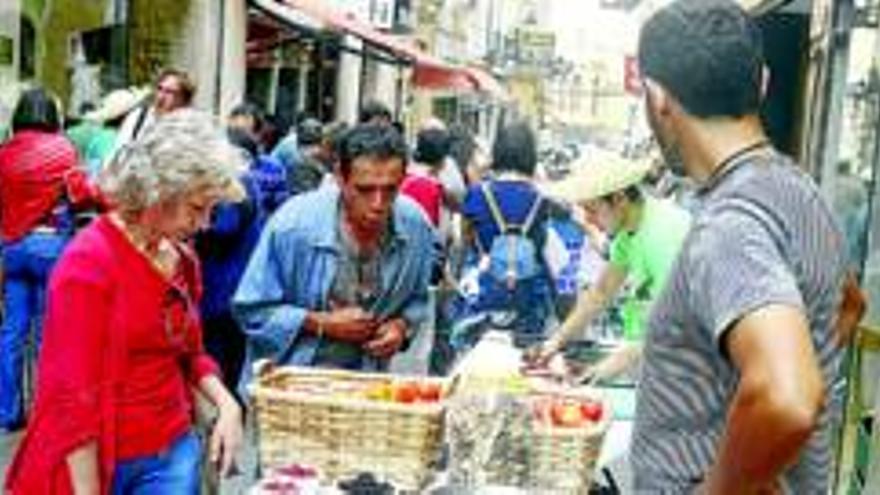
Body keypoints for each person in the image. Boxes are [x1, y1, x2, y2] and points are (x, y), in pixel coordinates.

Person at [630, 1, 853, 492]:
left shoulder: (730, 226)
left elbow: (788, 398)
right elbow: (849, 306)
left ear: (656, 97)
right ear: (764, 83)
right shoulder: (802, 192)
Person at [5, 109, 245, 494]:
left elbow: (190, 353)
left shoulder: (181, 259)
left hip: (172, 453)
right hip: (102, 463)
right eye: (198, 208)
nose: (205, 224)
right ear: (158, 193)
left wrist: (226, 402)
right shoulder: (88, 263)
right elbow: (72, 398)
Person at [233, 123, 434, 389]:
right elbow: (251, 310)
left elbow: (417, 300)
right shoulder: (293, 226)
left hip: (367, 389)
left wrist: (401, 327)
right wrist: (319, 323)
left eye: (390, 190)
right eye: (365, 189)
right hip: (291, 392)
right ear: (340, 177)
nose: (378, 204)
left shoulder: (416, 225)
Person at [529, 152, 691, 382]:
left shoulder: (665, 233)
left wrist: (609, 367)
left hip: (679, 370)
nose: (588, 221)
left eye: (592, 210)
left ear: (619, 200)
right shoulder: (627, 233)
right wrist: (556, 341)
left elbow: (675, 327)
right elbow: (601, 292)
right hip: (650, 357)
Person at [0, 87, 102, 432]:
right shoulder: (64, 149)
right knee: (47, 332)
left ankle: (7, 412)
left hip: (12, 249)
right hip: (50, 248)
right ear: (52, 115)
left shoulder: (4, 153)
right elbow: (83, 194)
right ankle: (46, 411)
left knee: (12, 330)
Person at [450, 122, 559, 349]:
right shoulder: (542, 197)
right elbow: (544, 243)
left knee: (476, 360)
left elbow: (464, 240)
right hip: (530, 294)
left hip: (485, 292)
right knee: (525, 363)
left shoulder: (477, 193)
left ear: (497, 152)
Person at [114, 68, 196, 148]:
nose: (161, 97)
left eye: (169, 92)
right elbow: (118, 153)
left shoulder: (190, 128)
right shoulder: (139, 118)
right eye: (159, 89)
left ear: (184, 99)